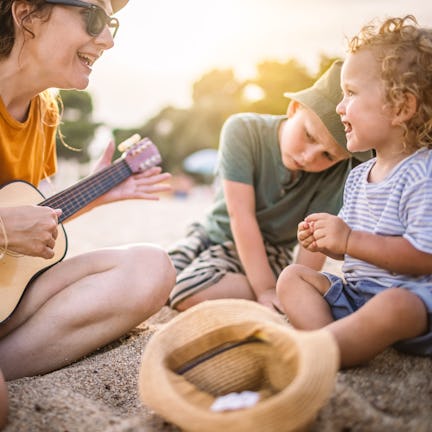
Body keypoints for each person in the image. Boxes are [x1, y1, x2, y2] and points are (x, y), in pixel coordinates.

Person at [0, 0, 176, 381]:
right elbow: (8, 227)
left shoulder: (45, 114)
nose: (108, 39)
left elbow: (24, 223)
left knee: (152, 267)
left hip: (5, 301)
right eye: (93, 17)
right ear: (26, 12)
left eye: (111, 22)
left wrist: (95, 195)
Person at [276, 15, 432, 368]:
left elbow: (424, 256)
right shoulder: (360, 175)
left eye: (351, 93)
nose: (338, 106)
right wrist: (323, 237)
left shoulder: (423, 172)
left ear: (401, 108)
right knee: (293, 277)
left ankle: (330, 352)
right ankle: (324, 340)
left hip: (413, 301)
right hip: (359, 297)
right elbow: (351, 247)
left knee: (396, 306)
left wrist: (347, 241)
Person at [168, 60, 371, 312]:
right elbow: (240, 214)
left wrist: (292, 291)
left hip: (269, 251)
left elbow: (314, 240)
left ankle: (267, 289)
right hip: (209, 234)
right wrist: (263, 289)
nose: (310, 157)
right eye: (308, 136)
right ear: (294, 108)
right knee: (160, 279)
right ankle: (260, 288)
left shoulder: (342, 170)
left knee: (185, 292)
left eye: (328, 156)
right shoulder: (243, 130)